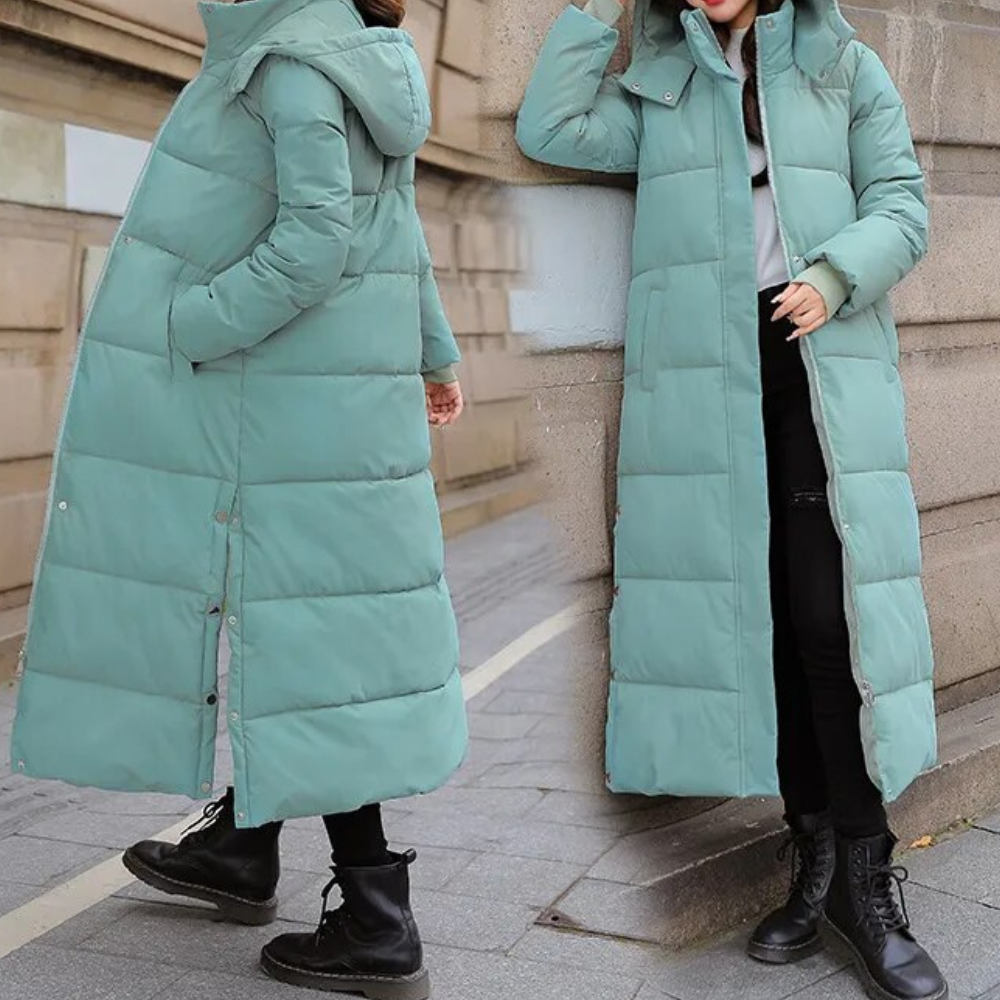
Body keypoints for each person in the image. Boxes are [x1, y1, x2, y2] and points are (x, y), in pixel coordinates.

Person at [10, 0, 466, 996]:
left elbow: (319, 238)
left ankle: (377, 919)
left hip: (282, 406)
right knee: (305, 631)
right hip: (326, 408)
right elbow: (397, 225)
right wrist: (434, 351)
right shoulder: (359, 54)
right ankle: (243, 847)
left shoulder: (290, 63)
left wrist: (194, 323)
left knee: (310, 645)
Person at [516, 2, 946, 999]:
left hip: (816, 363)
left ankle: (868, 874)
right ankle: (816, 862)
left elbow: (903, 204)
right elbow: (552, 127)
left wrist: (834, 275)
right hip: (710, 382)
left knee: (827, 622)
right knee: (763, 625)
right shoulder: (664, 82)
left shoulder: (843, 65)